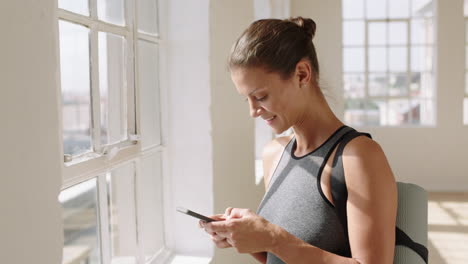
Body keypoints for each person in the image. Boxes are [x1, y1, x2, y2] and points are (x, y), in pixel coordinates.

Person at [199, 17, 397, 264]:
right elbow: (281, 258)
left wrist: (273, 238)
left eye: (260, 96)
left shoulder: (358, 156)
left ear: (302, 74)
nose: (253, 111)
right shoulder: (275, 154)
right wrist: (246, 238)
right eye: (246, 99)